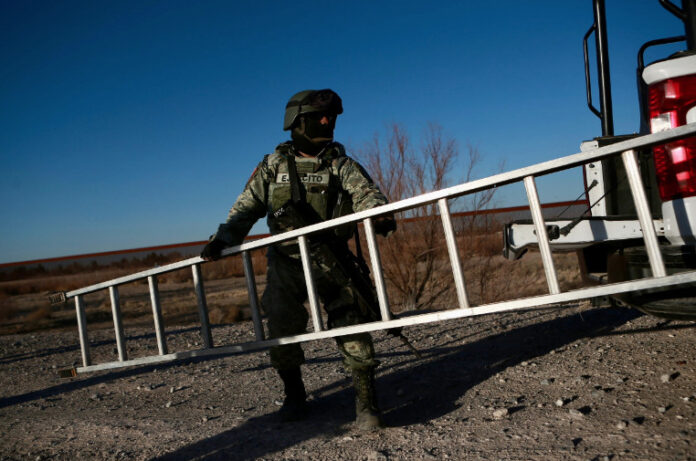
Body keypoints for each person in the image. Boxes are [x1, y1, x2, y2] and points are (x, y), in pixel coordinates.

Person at [201, 89, 396, 430]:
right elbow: (246, 208)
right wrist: (222, 240)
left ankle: (367, 400)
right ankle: (294, 394)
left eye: (331, 116)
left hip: (332, 258)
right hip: (287, 262)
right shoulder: (272, 166)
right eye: (319, 116)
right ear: (296, 120)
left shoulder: (341, 165)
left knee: (353, 324)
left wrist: (378, 216)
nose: (326, 121)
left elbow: (366, 195)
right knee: (282, 325)